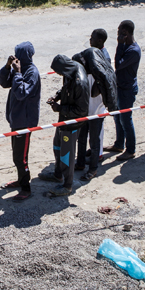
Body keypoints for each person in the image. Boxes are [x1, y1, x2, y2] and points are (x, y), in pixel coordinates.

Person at [0, 41, 41, 201]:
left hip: (25, 121)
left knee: (20, 157)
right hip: (16, 120)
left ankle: (26, 188)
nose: (16, 57)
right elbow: (3, 82)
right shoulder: (19, 68)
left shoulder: (31, 72)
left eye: (18, 54)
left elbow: (22, 92)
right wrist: (8, 67)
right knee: (17, 155)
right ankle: (20, 179)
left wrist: (17, 72)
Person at [41, 54, 90, 197]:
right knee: (57, 146)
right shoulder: (71, 70)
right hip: (64, 120)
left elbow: (81, 111)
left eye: (58, 72)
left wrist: (60, 109)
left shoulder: (80, 83)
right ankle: (57, 174)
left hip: (72, 124)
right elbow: (65, 88)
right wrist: (57, 96)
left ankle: (67, 185)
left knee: (66, 155)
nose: (58, 75)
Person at [76, 29, 112, 179]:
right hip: (86, 105)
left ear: (100, 41)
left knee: (95, 138)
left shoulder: (104, 58)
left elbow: (106, 81)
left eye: (92, 38)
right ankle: (80, 162)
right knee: (82, 134)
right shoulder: (89, 54)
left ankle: (93, 168)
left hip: (97, 106)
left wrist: (97, 87)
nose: (90, 40)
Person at [105, 20, 141, 160]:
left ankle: (130, 149)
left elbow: (118, 64)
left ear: (126, 33)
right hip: (120, 87)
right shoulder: (127, 47)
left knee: (126, 120)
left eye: (120, 32)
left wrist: (119, 45)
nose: (118, 35)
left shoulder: (133, 51)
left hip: (127, 90)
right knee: (117, 117)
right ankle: (119, 144)